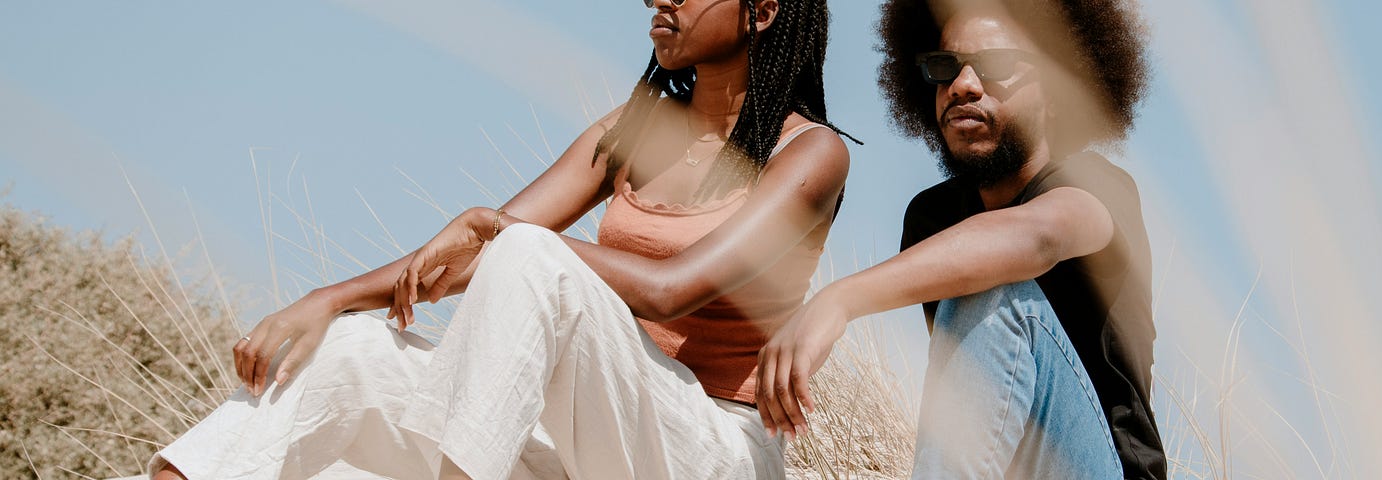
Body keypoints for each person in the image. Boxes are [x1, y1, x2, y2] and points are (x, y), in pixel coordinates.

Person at [150, 0, 855, 478]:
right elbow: (469, 254)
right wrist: (328, 299)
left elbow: (671, 291)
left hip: (708, 448)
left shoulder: (810, 154)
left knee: (526, 250)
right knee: (350, 349)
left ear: (762, 10)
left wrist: (499, 230)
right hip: (581, 447)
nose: (656, 0)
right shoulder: (633, 130)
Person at [754, 0, 1164, 478]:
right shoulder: (932, 218)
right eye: (944, 67)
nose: (964, 85)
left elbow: (1037, 238)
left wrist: (840, 300)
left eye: (997, 66)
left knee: (993, 290)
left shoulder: (1097, 186)